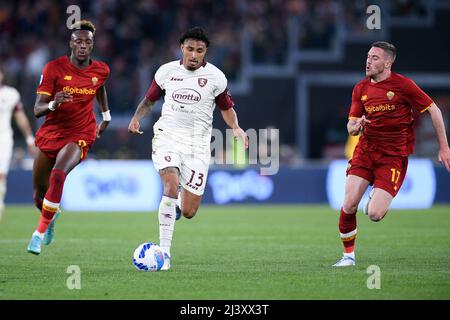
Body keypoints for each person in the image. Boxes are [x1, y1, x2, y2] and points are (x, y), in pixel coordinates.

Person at [128, 27, 248, 270]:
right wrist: (136, 117)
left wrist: (236, 128)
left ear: (206, 52)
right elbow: (150, 100)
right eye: (190, 49)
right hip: (167, 136)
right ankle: (165, 255)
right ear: (182, 47)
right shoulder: (166, 72)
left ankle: (178, 208)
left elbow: (226, 107)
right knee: (170, 186)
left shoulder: (216, 78)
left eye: (200, 51)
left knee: (190, 210)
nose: (194, 55)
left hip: (198, 145)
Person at [333, 41, 450, 267]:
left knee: (375, 214)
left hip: (392, 157)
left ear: (388, 63)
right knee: (348, 204)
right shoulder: (360, 89)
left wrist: (444, 147)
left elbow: (433, 110)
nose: (368, 61)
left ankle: (374, 200)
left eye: (375, 58)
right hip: (366, 151)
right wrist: (356, 127)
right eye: (368, 56)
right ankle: (348, 257)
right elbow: (351, 125)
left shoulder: (403, 86)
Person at [27, 20, 111, 255]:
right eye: (78, 41)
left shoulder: (101, 70)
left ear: (92, 46)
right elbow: (37, 109)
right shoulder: (53, 68)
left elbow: (100, 87)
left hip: (80, 133)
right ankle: (51, 216)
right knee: (38, 195)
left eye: (87, 42)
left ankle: (38, 234)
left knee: (58, 174)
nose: (83, 45)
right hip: (52, 133)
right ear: (70, 43)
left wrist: (106, 115)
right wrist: (55, 102)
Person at [0, 68, 37, 222]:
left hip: (3, 138)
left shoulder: (11, 94)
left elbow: (20, 117)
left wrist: (29, 139)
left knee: (1, 175)